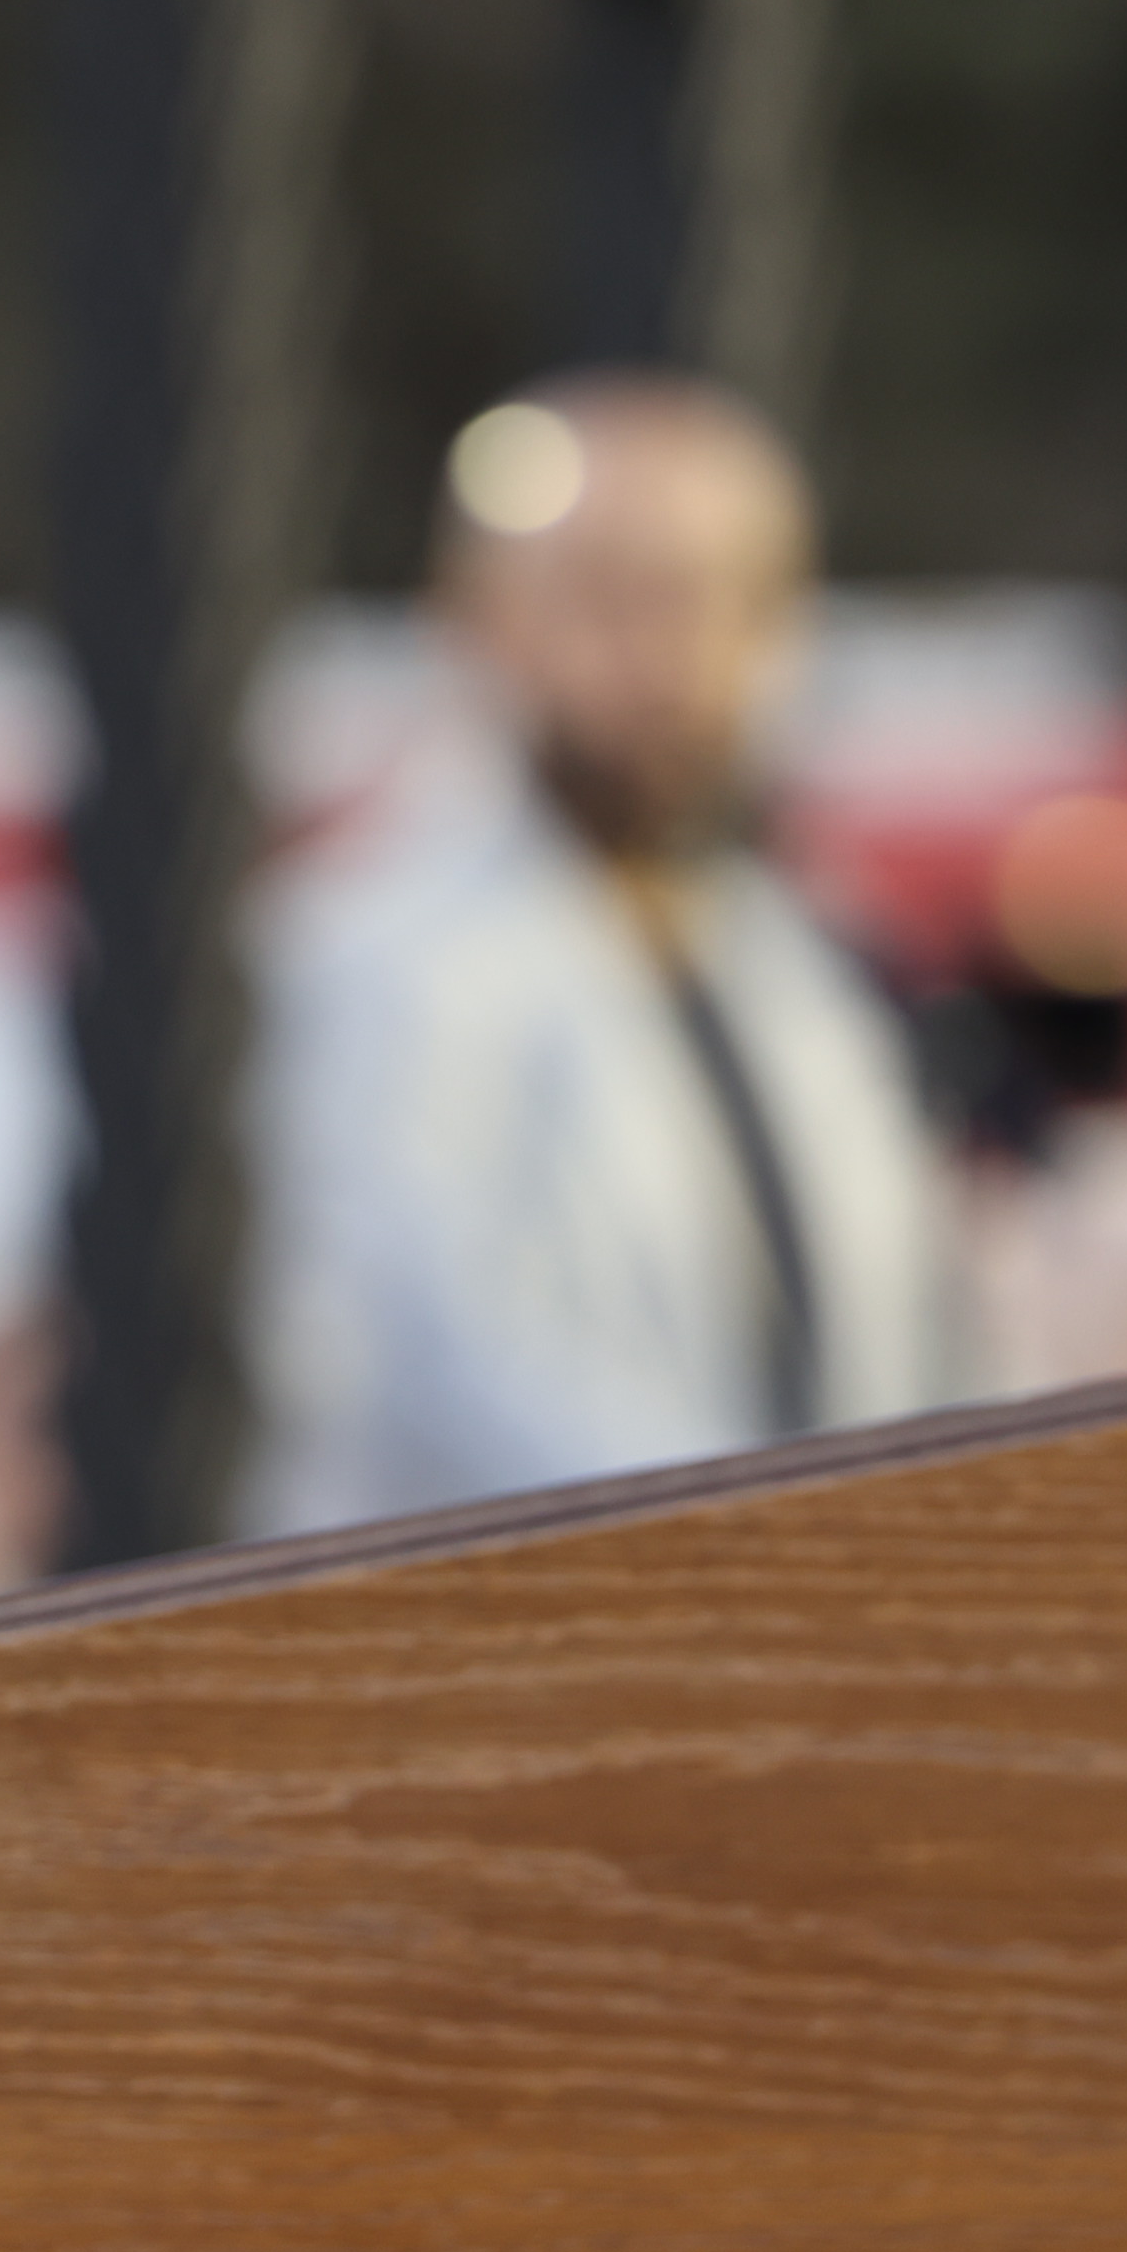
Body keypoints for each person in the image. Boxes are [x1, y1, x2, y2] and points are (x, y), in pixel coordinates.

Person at [246, 372, 964, 1532]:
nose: (676, 657)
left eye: (731, 600)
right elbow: (445, 1371)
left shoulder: (795, 962)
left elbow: (907, 1332)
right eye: (615, 597)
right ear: (477, 620)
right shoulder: (362, 964)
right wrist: (785, 1549)